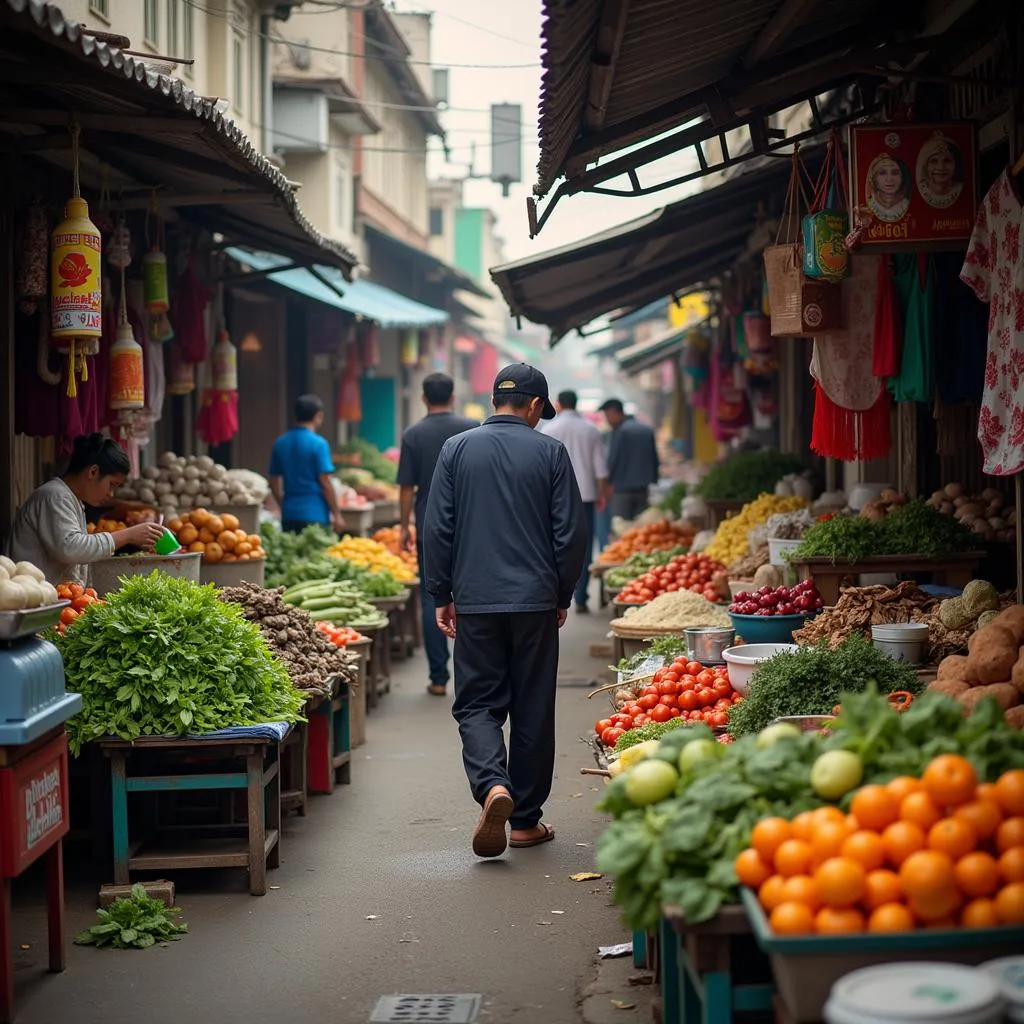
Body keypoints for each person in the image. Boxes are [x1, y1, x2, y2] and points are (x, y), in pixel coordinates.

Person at [423, 364, 587, 858]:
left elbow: (437, 528)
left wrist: (441, 593)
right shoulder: (551, 452)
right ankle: (525, 822)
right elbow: (571, 534)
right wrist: (562, 594)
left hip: (475, 600)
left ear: (496, 399)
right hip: (534, 601)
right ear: (535, 406)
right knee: (533, 706)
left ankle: (493, 786)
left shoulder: (456, 449)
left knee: (476, 703)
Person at [396, 372, 478, 696]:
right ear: (453, 396)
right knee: (470, 596)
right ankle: (470, 675)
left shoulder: (413, 434)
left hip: (428, 528)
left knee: (434, 596)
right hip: (469, 527)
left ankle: (438, 678)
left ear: (423, 398)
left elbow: (406, 488)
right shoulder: (472, 430)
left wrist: (405, 526)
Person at [7, 433, 164, 585]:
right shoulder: (56, 496)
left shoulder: (69, 498)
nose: (111, 494)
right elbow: (70, 548)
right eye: (112, 484)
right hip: (29, 597)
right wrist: (128, 535)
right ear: (93, 472)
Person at [539, 390, 609, 613]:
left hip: (554, 497)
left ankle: (558, 593)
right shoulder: (590, 429)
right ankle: (580, 596)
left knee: (555, 543)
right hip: (585, 495)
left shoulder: (549, 429)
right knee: (584, 545)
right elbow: (601, 467)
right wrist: (602, 493)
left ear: (558, 404)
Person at [268, 394, 345, 535]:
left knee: (292, 556)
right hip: (315, 514)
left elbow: (273, 481)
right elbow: (325, 482)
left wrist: (283, 504)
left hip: (289, 514)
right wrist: (337, 514)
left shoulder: (280, 443)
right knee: (315, 556)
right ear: (318, 416)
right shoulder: (319, 444)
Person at [599, 398, 660, 521]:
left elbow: (613, 459)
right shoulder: (646, 430)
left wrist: (607, 483)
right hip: (643, 488)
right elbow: (654, 458)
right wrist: (653, 479)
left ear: (614, 412)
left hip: (622, 489)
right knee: (641, 527)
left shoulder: (619, 432)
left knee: (622, 528)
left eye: (607, 416)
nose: (607, 420)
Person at [865, 153, 911, 223]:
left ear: (902, 177)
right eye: (882, 173)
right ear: (874, 178)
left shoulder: (905, 205)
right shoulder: (870, 206)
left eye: (895, 173)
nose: (889, 179)